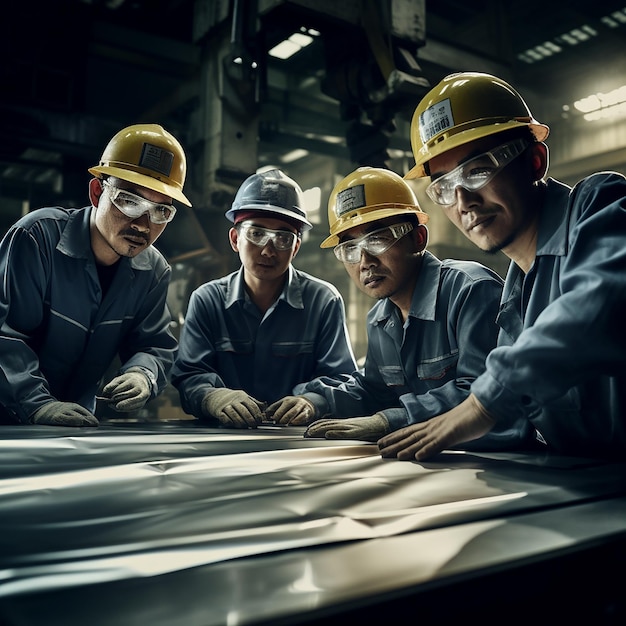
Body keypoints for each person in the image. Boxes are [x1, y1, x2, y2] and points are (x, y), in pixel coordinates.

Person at [379, 71, 626, 462]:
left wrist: (483, 404)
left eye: (478, 169)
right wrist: (394, 419)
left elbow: (601, 304)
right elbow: (514, 422)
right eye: (444, 186)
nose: (464, 201)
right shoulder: (514, 305)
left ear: (535, 160)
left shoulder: (601, 206)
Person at [293, 166, 521, 447]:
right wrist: (315, 401)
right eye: (350, 249)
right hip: (431, 460)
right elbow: (375, 391)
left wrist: (392, 420)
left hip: (499, 459)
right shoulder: (380, 318)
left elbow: (483, 394)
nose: (364, 262)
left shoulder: (470, 291)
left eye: (377, 240)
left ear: (418, 239)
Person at [0, 123, 191, 427]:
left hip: (76, 425)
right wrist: (36, 404)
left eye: (160, 212)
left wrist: (144, 373)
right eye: (129, 201)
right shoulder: (37, 238)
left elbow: (154, 345)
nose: (143, 225)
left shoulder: (153, 271)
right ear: (96, 192)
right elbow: (6, 335)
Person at [171, 168, 357, 428]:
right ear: (235, 239)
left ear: (296, 248)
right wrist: (213, 397)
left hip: (297, 443)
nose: (268, 250)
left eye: (283, 238)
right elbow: (190, 375)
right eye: (256, 234)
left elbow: (343, 378)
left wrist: (313, 401)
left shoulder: (323, 301)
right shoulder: (207, 300)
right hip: (221, 440)